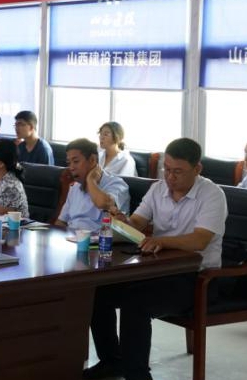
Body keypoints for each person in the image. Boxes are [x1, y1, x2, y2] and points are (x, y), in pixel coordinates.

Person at [85, 138, 227, 380]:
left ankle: (137, 375)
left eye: (177, 172)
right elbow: (137, 223)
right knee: (97, 292)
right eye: (166, 169)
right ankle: (112, 361)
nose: (170, 177)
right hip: (158, 270)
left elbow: (200, 240)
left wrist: (161, 241)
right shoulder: (158, 189)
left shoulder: (212, 195)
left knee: (136, 304)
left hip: (198, 278)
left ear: (197, 169)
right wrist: (122, 222)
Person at [55, 138, 130, 232]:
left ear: (92, 160)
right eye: (69, 163)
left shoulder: (117, 184)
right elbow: (61, 221)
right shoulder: (75, 187)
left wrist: (91, 180)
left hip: (99, 239)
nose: (71, 168)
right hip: (72, 236)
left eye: (76, 161)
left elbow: (103, 203)